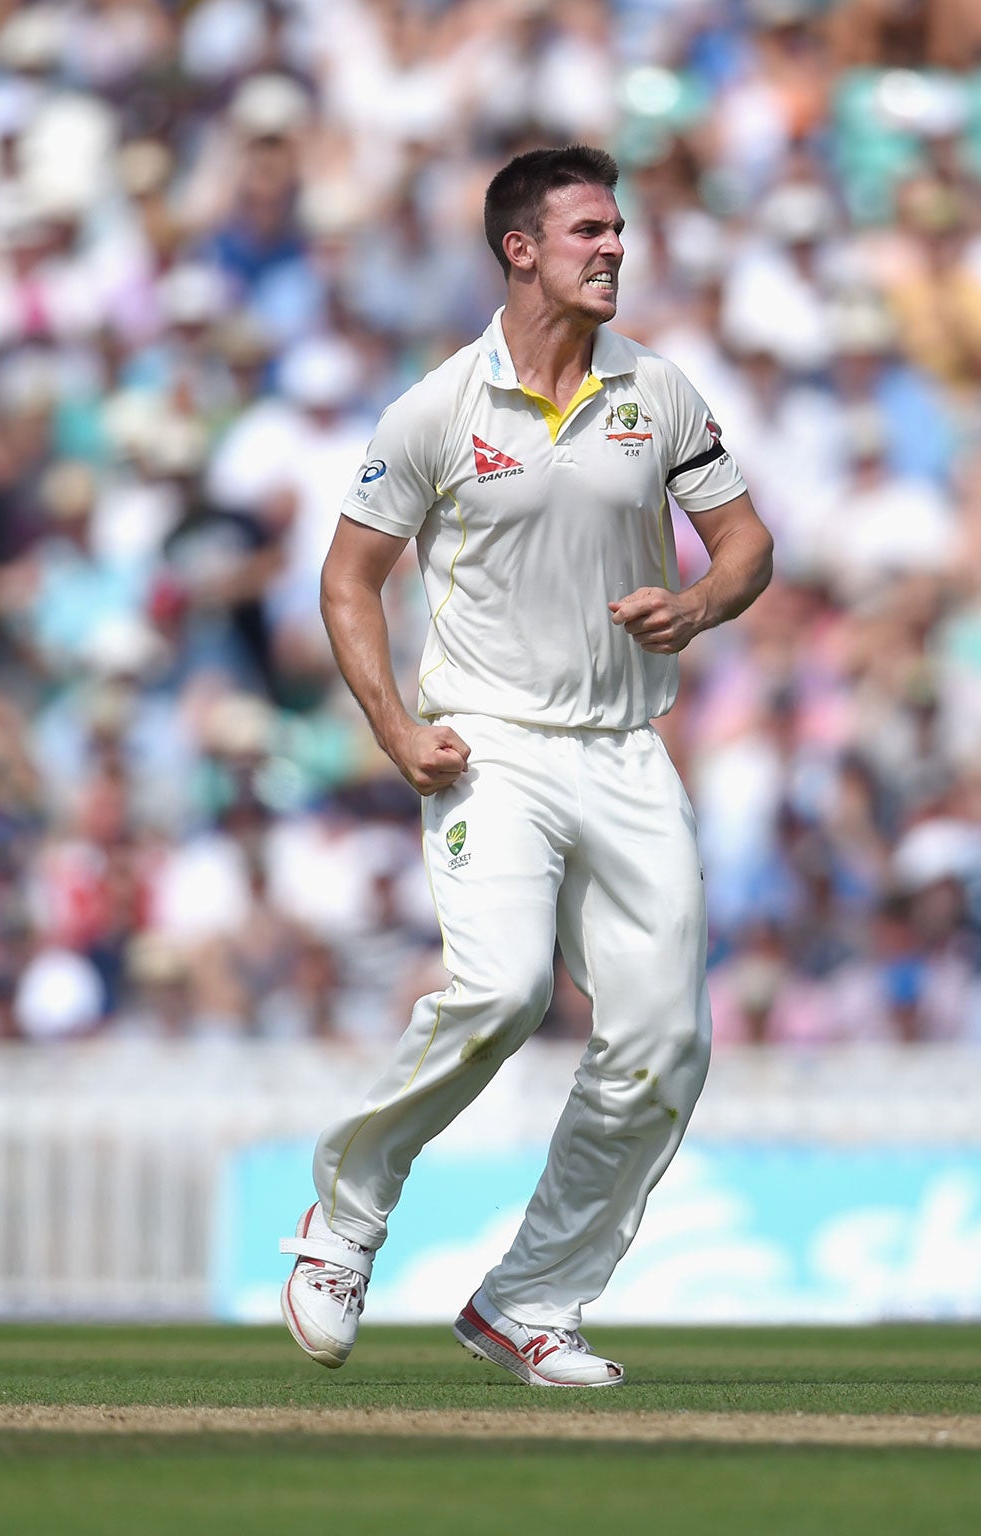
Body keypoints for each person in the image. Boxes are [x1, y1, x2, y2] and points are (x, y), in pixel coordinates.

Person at [278, 146, 773, 1386]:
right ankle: (342, 1220)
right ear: (519, 248)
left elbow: (746, 540)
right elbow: (348, 576)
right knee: (500, 994)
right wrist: (394, 728)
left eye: (617, 231)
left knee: (663, 1043)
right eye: (587, 232)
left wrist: (703, 604)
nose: (613, 249)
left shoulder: (655, 392)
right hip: (488, 743)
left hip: (622, 748)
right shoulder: (439, 406)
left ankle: (532, 1299)